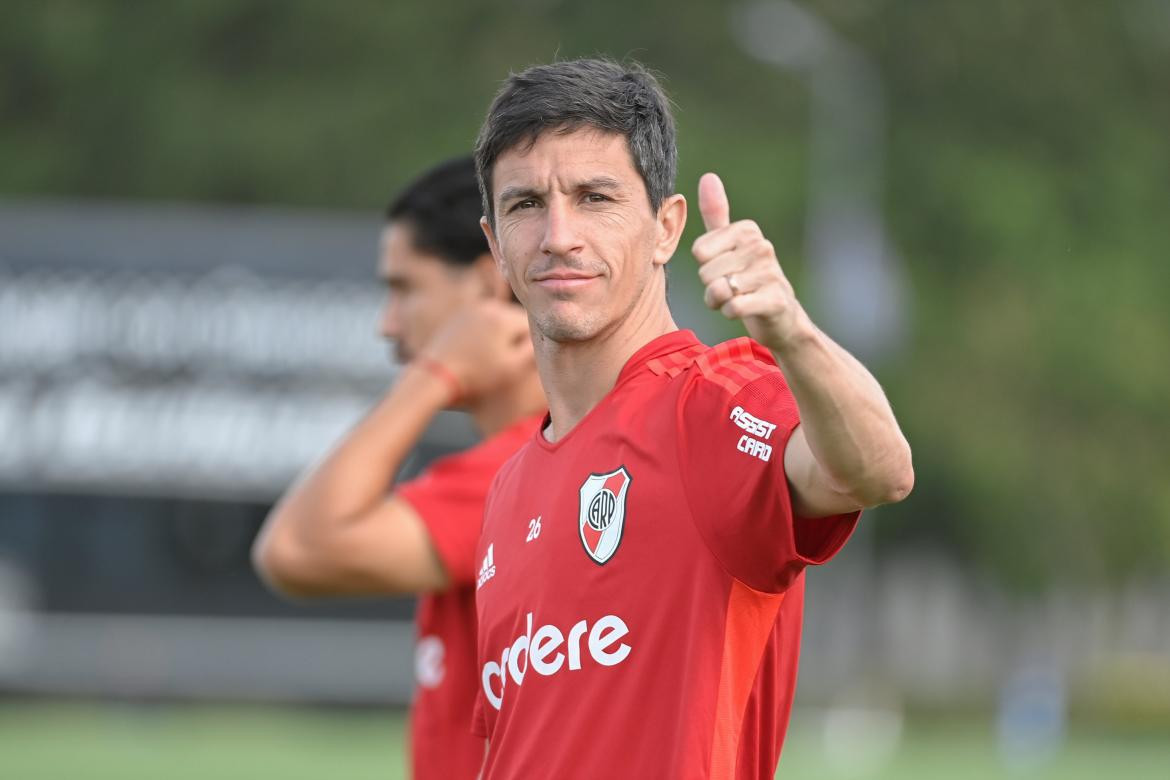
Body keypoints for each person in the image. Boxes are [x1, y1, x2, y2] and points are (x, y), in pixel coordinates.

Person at [468, 59, 914, 779]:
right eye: (525, 204)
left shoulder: (711, 403)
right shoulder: (510, 486)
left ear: (665, 228)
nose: (558, 234)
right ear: (495, 244)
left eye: (595, 197)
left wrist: (791, 329)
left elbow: (878, 470)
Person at [251, 156, 545, 780]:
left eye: (404, 288)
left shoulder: (525, 466)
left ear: (492, 281)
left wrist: (433, 374)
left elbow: (298, 551)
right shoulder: (522, 456)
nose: (388, 323)